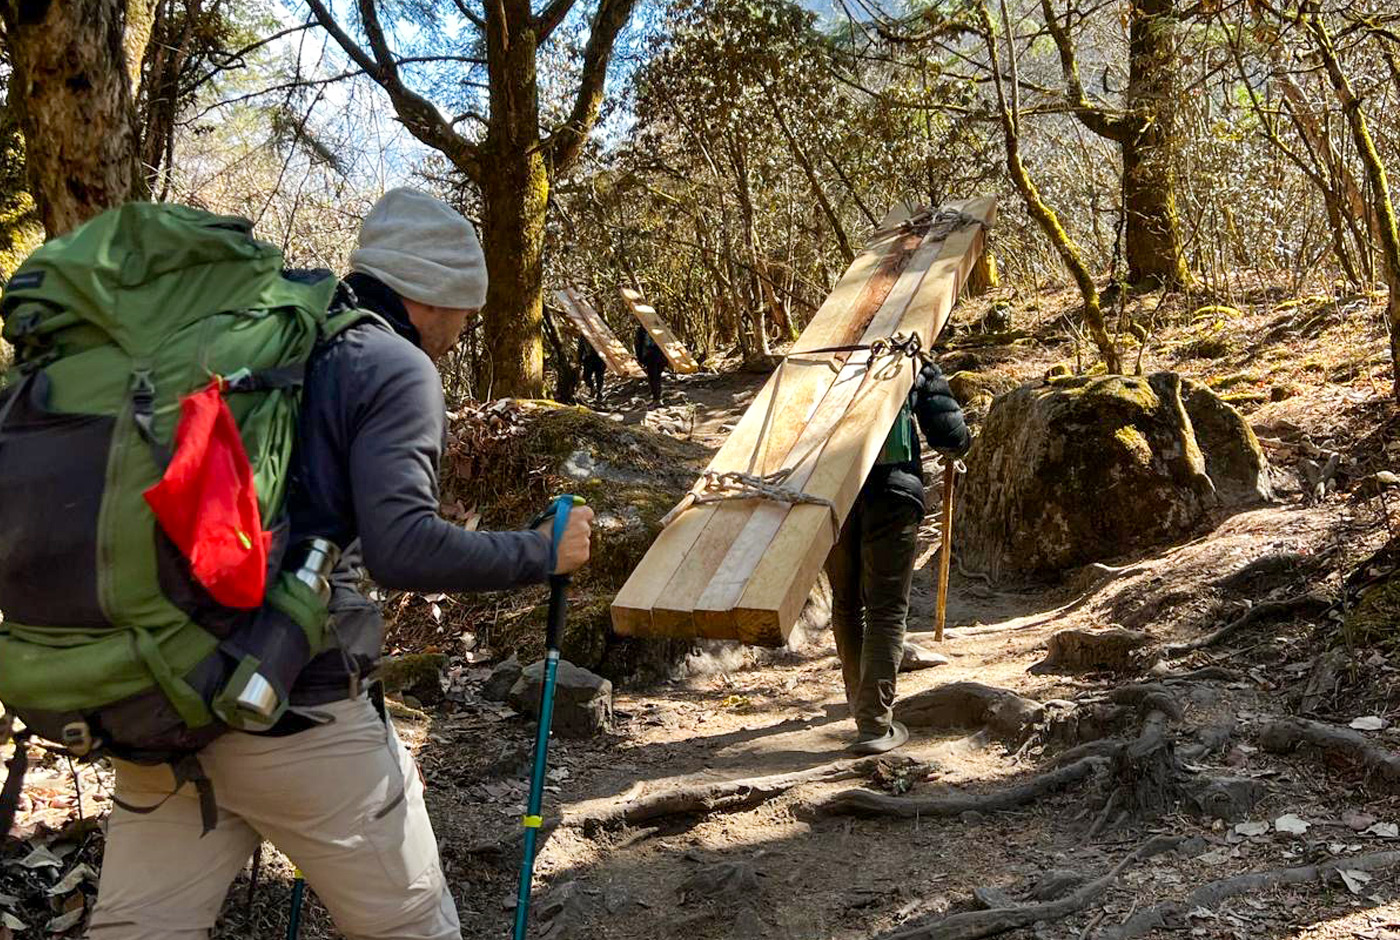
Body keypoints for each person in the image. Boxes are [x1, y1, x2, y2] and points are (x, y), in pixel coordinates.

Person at [88, 188, 595, 940]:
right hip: (299, 715)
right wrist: (541, 552)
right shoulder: (391, 364)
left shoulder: (257, 343)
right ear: (429, 296)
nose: (462, 330)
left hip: (159, 703)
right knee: (415, 927)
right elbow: (404, 547)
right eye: (464, 309)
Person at [826, 361, 969, 755]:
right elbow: (951, 435)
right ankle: (873, 724)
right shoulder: (909, 357)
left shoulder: (822, 358)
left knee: (847, 603)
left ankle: (860, 704)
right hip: (892, 494)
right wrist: (959, 444)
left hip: (827, 496)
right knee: (886, 609)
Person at [634, 324, 667, 407]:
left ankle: (656, 399)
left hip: (653, 357)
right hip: (658, 356)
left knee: (654, 378)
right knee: (656, 378)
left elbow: (639, 345)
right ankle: (657, 399)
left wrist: (640, 358)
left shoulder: (642, 330)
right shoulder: (659, 327)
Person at [577, 335, 606, 399]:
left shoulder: (600, 332)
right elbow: (580, 348)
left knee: (599, 376)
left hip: (600, 358)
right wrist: (579, 360)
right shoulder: (583, 335)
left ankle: (599, 392)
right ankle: (592, 388)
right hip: (589, 358)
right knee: (586, 376)